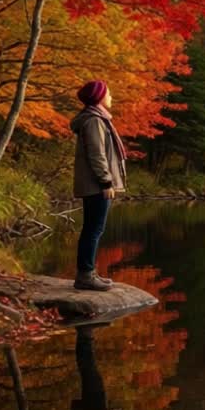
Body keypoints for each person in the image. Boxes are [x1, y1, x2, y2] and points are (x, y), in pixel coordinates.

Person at [71, 80, 126, 291]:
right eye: (109, 94)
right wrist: (106, 181)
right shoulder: (94, 121)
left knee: (93, 229)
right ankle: (85, 275)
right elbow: (97, 154)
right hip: (96, 185)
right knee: (94, 230)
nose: (111, 97)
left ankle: (89, 272)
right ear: (99, 97)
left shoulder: (98, 119)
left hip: (95, 184)